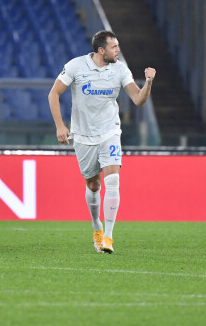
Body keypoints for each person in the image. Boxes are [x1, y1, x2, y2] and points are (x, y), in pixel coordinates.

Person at [48, 30, 156, 254]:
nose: (118, 50)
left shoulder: (119, 69)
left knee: (113, 179)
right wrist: (60, 125)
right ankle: (97, 226)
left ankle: (108, 236)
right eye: (114, 47)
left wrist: (148, 83)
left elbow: (138, 99)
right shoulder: (76, 66)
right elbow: (53, 94)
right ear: (101, 50)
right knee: (93, 185)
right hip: (83, 136)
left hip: (109, 132)